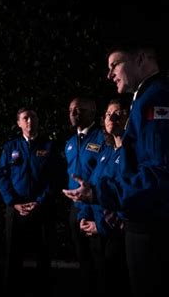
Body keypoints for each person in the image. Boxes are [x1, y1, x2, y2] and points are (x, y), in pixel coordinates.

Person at [63, 41, 169, 297]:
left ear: (141, 58)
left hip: (153, 232)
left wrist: (101, 194)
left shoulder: (158, 98)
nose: (109, 74)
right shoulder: (147, 97)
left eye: (114, 65)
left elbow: (160, 173)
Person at [64, 98, 131, 296]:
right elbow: (92, 185)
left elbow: (125, 195)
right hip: (88, 217)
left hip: (112, 230)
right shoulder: (107, 151)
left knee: (110, 278)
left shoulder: (130, 152)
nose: (113, 117)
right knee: (91, 270)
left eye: (118, 113)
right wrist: (84, 214)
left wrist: (99, 225)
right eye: (109, 114)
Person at [0, 107, 56, 296]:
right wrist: (13, 203)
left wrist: (39, 202)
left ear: (38, 121)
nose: (30, 121)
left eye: (33, 117)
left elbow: (53, 178)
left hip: (41, 209)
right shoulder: (10, 147)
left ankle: (42, 291)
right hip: (15, 209)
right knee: (12, 255)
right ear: (19, 123)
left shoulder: (48, 146)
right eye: (25, 118)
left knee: (44, 254)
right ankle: (11, 291)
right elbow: (2, 176)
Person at [64, 97, 106, 297]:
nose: (73, 113)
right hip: (75, 209)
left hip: (95, 208)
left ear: (92, 113)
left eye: (79, 110)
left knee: (99, 262)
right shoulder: (70, 143)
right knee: (82, 260)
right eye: (71, 109)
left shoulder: (102, 139)